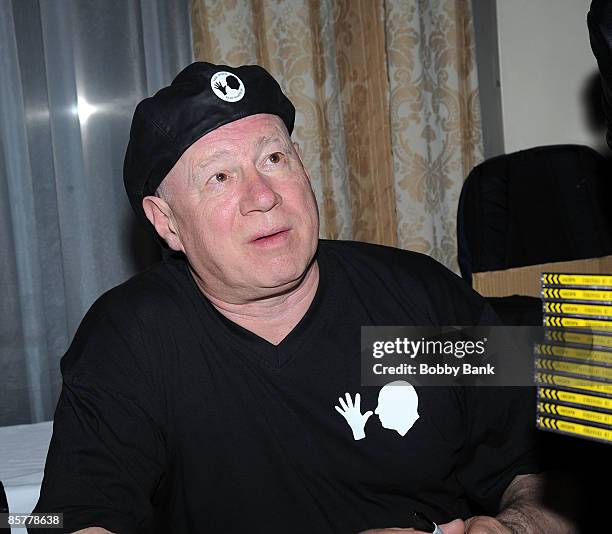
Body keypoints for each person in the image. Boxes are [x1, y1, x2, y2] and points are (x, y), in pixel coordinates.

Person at [33, 62, 573, 534]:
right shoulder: (133, 338)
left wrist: (514, 526)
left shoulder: (417, 300)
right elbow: (66, 517)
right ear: (167, 222)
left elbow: (545, 474)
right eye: (219, 177)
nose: (264, 197)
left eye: (274, 158)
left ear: (304, 170)